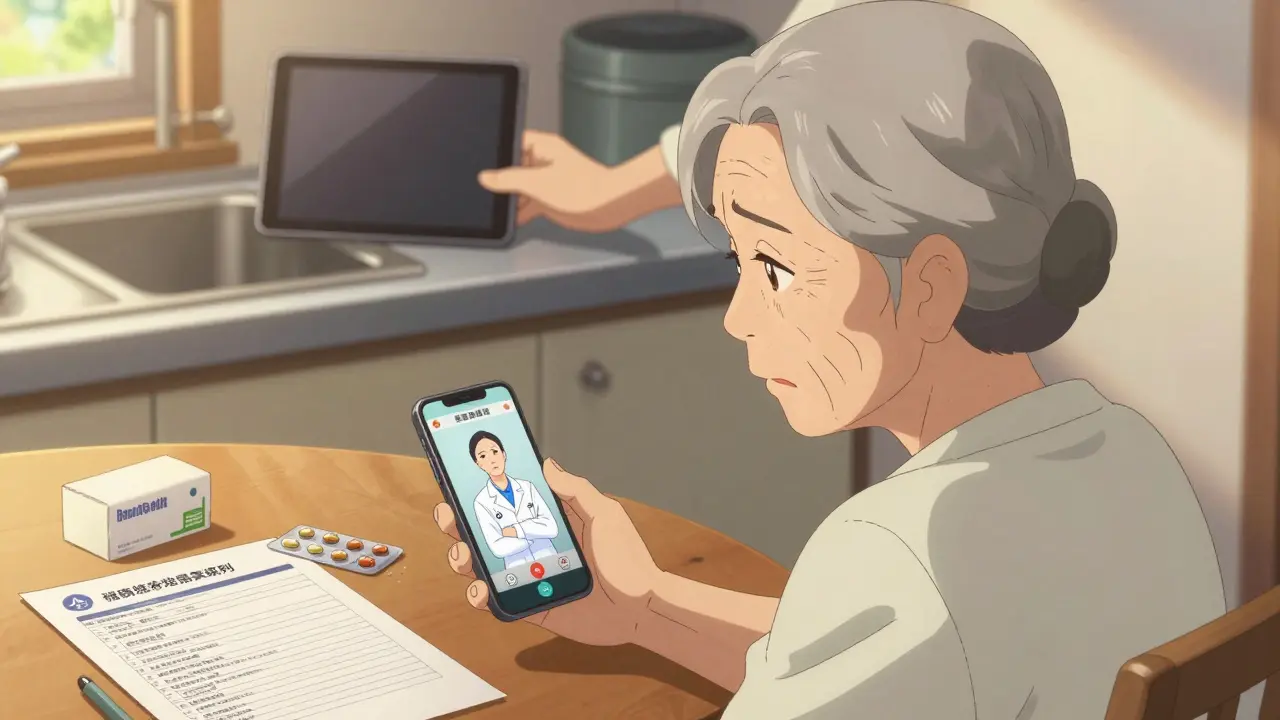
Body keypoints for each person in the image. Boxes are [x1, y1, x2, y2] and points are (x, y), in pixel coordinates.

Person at [435, 2, 1226, 717]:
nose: (740, 318)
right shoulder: (1130, 452)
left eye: (775, 266)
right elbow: (900, 654)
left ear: (930, 285)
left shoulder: (902, 547)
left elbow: (910, 617)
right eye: (736, 262)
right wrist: (645, 606)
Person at [468, 430, 559, 569]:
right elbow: (497, 548)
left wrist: (516, 531)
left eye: (495, 452)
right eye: (483, 456)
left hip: (551, 561)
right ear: (478, 463)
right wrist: (532, 534)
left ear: (504, 454)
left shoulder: (527, 487)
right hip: (518, 572)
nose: (492, 460)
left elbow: (552, 528)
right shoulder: (481, 502)